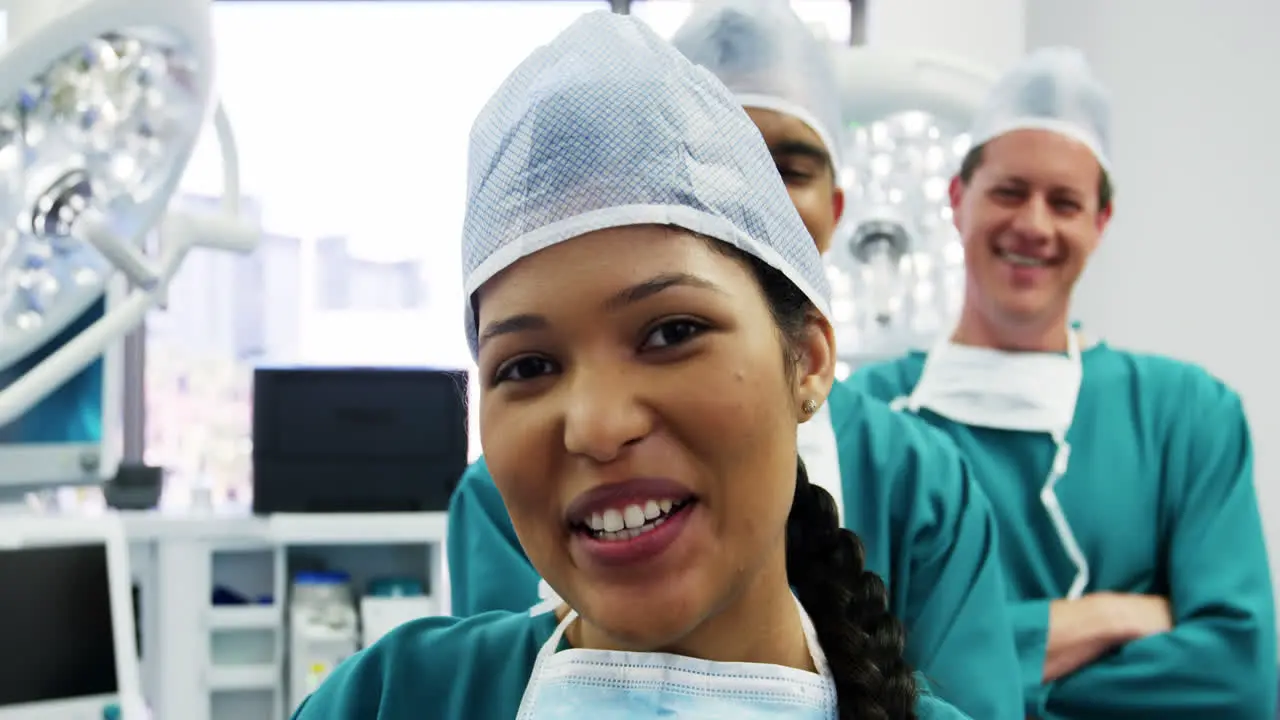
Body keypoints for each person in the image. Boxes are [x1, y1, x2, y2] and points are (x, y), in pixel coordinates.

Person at [294, 12, 969, 720]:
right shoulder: (393, 698)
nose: (595, 426)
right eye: (526, 366)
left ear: (807, 359)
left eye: (671, 331)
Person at [849, 47, 1277, 720]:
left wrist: (976, 677)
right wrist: (1108, 617)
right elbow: (848, 661)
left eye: (1065, 202)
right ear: (958, 199)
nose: (1034, 225)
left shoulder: (1188, 416)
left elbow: (1241, 676)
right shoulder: (868, 415)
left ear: (1100, 223)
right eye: (1010, 191)